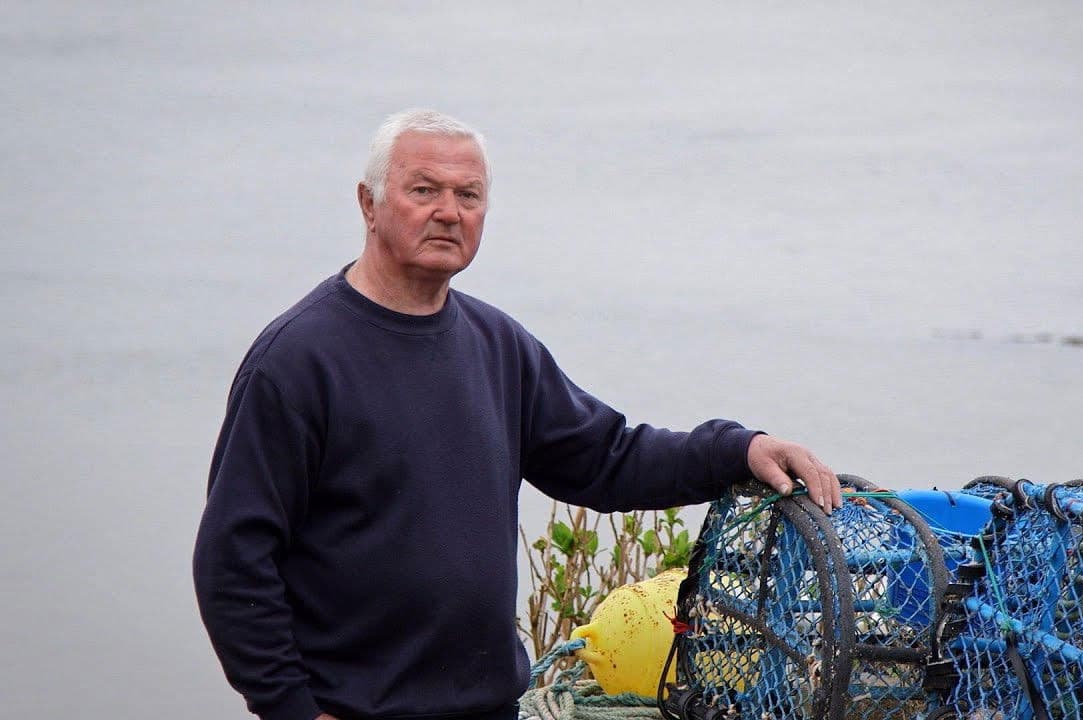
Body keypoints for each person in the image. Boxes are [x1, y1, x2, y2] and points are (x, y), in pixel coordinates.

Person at [193, 109, 841, 720]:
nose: (448, 211)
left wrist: (737, 450)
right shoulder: (297, 361)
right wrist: (291, 709)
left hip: (491, 706)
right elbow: (233, 557)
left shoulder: (498, 346)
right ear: (369, 203)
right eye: (424, 190)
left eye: (468, 196)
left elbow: (605, 458)